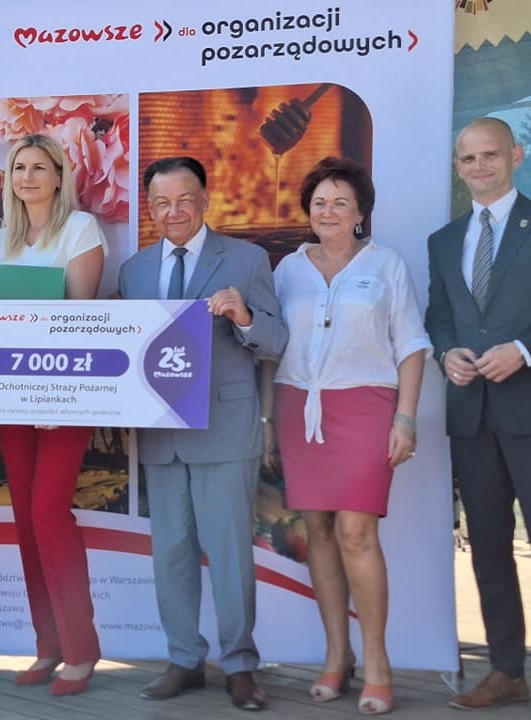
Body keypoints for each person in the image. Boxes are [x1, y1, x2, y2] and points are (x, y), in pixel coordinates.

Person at [262, 157, 430, 715]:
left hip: (366, 407)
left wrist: (405, 418)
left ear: (360, 213)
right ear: (307, 210)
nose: (328, 211)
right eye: (319, 202)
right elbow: (271, 351)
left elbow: (411, 344)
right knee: (318, 530)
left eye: (340, 202)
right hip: (297, 406)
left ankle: (378, 661)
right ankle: (338, 656)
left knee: (356, 532)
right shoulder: (288, 269)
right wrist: (266, 422)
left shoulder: (386, 264)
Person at [118, 156, 287, 711]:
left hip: (224, 429)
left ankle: (239, 665)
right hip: (160, 435)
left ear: (205, 200)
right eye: (162, 202)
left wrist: (244, 317)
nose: (174, 212)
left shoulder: (246, 259)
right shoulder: (134, 271)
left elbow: (277, 341)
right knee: (171, 554)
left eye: (184, 200)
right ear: (149, 208)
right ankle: (184, 659)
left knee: (231, 554)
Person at [0, 134, 106, 696]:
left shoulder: (80, 229)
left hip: (63, 397)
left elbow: (81, 321)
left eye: (38, 167)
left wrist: (58, 396)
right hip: (12, 398)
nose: (27, 176)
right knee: (25, 521)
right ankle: (48, 646)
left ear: (59, 176)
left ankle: (81, 650)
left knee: (49, 514)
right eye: (18, 168)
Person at [425, 116, 531, 710]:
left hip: (528, 409)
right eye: (468, 159)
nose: (480, 166)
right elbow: (440, 316)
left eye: (490, 154)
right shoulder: (444, 241)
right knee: (489, 548)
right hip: (472, 418)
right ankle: (507, 671)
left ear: (516, 155)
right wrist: (447, 354)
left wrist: (524, 350)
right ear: (457, 168)